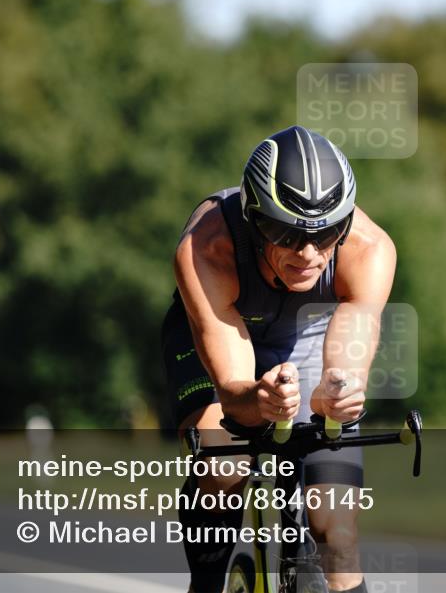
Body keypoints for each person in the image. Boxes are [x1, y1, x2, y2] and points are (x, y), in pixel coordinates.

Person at [162, 125, 396, 593]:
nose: (308, 253)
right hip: (217, 330)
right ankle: (206, 584)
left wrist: (339, 395)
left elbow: (343, 369)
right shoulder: (207, 250)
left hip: (307, 335)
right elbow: (233, 392)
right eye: (285, 234)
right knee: (224, 466)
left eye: (327, 233)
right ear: (253, 219)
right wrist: (259, 399)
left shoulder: (370, 250)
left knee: (339, 535)